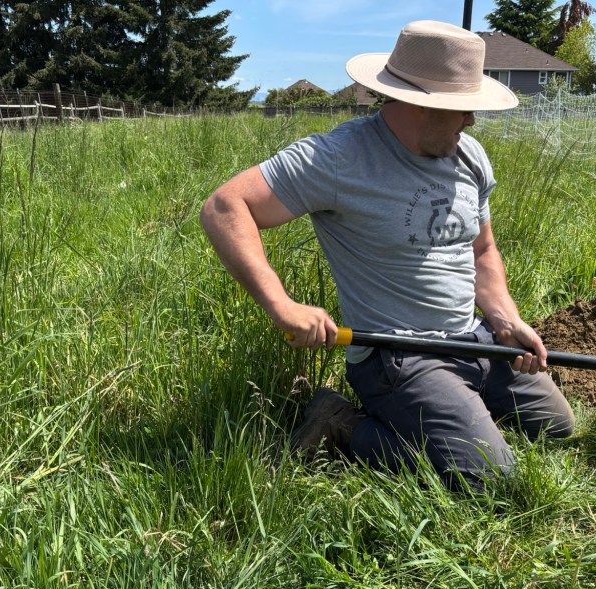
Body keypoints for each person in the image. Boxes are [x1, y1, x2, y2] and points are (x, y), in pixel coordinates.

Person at [200, 20, 574, 489]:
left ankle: (455, 416)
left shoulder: (470, 156)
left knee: (557, 427)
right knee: (491, 480)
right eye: (463, 109)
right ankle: (343, 424)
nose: (471, 121)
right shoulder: (340, 158)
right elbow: (224, 206)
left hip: (474, 339)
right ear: (420, 104)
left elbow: (483, 250)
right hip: (399, 357)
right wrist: (282, 306)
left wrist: (505, 319)